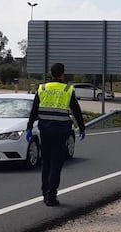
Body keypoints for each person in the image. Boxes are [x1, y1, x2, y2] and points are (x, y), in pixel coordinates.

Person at [26, 63, 85, 206]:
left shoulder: (42, 88)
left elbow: (34, 110)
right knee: (56, 164)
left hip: (45, 131)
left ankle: (45, 191)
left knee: (46, 163)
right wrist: (82, 128)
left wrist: (29, 128)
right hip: (60, 133)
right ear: (62, 74)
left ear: (51, 74)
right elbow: (76, 110)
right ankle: (51, 196)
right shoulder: (67, 89)